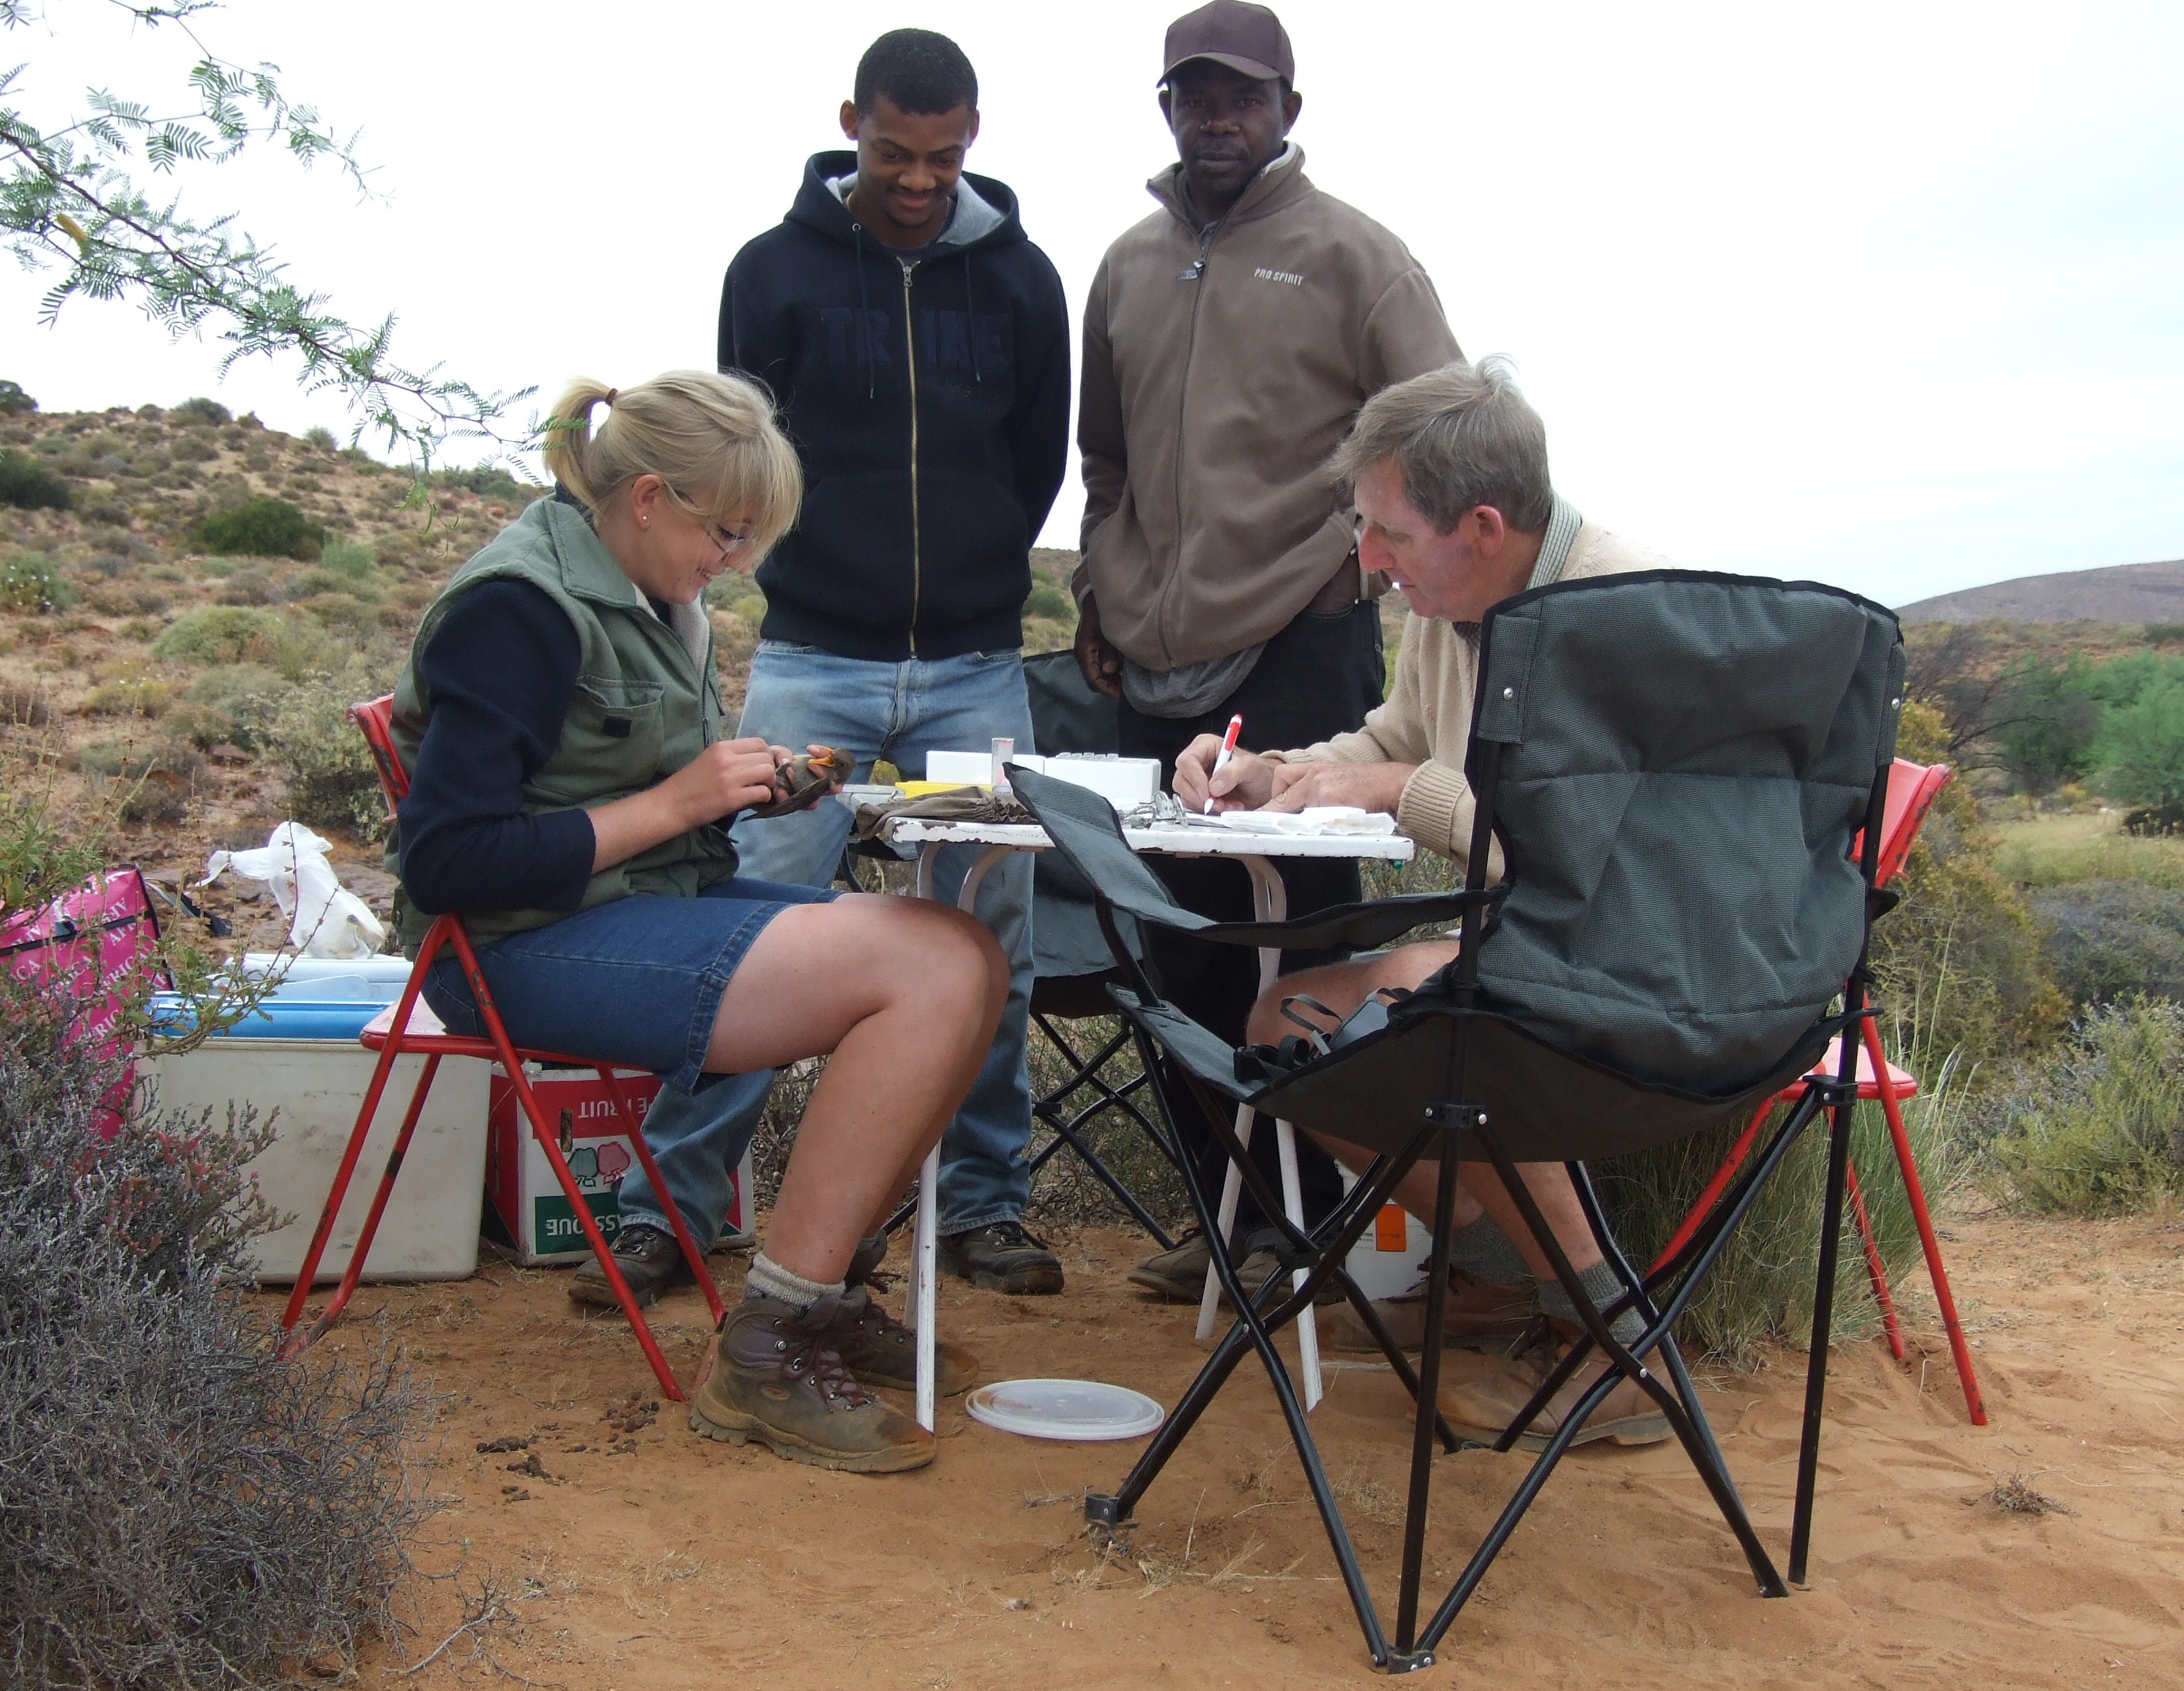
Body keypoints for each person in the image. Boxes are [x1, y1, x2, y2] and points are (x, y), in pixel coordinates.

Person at [389, 370, 1003, 1474]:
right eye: (725, 532)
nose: (738, 563)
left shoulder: (656, 592)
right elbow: (446, 860)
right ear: (648, 497)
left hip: (637, 909)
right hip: (512, 947)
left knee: (964, 952)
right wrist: (675, 802)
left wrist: (750, 785)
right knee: (928, 970)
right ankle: (769, 1342)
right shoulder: (516, 609)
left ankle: (817, 1301)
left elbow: (634, 791)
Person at [592, 28, 1075, 1308]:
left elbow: (1036, 465)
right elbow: (746, 447)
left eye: (944, 157)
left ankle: (982, 1209)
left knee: (988, 936)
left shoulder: (1025, 282)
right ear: (849, 121)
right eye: (894, 153)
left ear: (975, 138)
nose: (918, 181)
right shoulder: (774, 271)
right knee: (746, 929)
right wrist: (811, 569)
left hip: (975, 664)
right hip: (813, 656)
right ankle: (675, 1215)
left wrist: (971, 571)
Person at [1174, 359, 1679, 1450]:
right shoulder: (1452, 603)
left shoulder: (1612, 617)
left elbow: (1562, 857)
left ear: (1483, 525)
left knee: (1440, 1029)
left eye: (1387, 532)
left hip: (1637, 962)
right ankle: (1504, 1271)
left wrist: (1401, 791)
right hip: (1534, 946)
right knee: (1288, 1027)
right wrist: (1285, 769)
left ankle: (1618, 1347)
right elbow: (1398, 739)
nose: (1368, 559)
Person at [1073, 0, 1463, 1302]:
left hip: (1302, 640)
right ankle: (1229, 1220)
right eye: (1193, 96)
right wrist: (1101, 586)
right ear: (1166, 109)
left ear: (1290, 109)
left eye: (1241, 96)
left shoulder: (1361, 259)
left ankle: (1307, 1234)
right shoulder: (1125, 264)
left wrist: (1362, 556)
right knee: (1175, 950)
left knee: (1298, 953)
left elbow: (1452, 431)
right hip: (1149, 655)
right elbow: (1106, 459)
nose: (1216, 118)